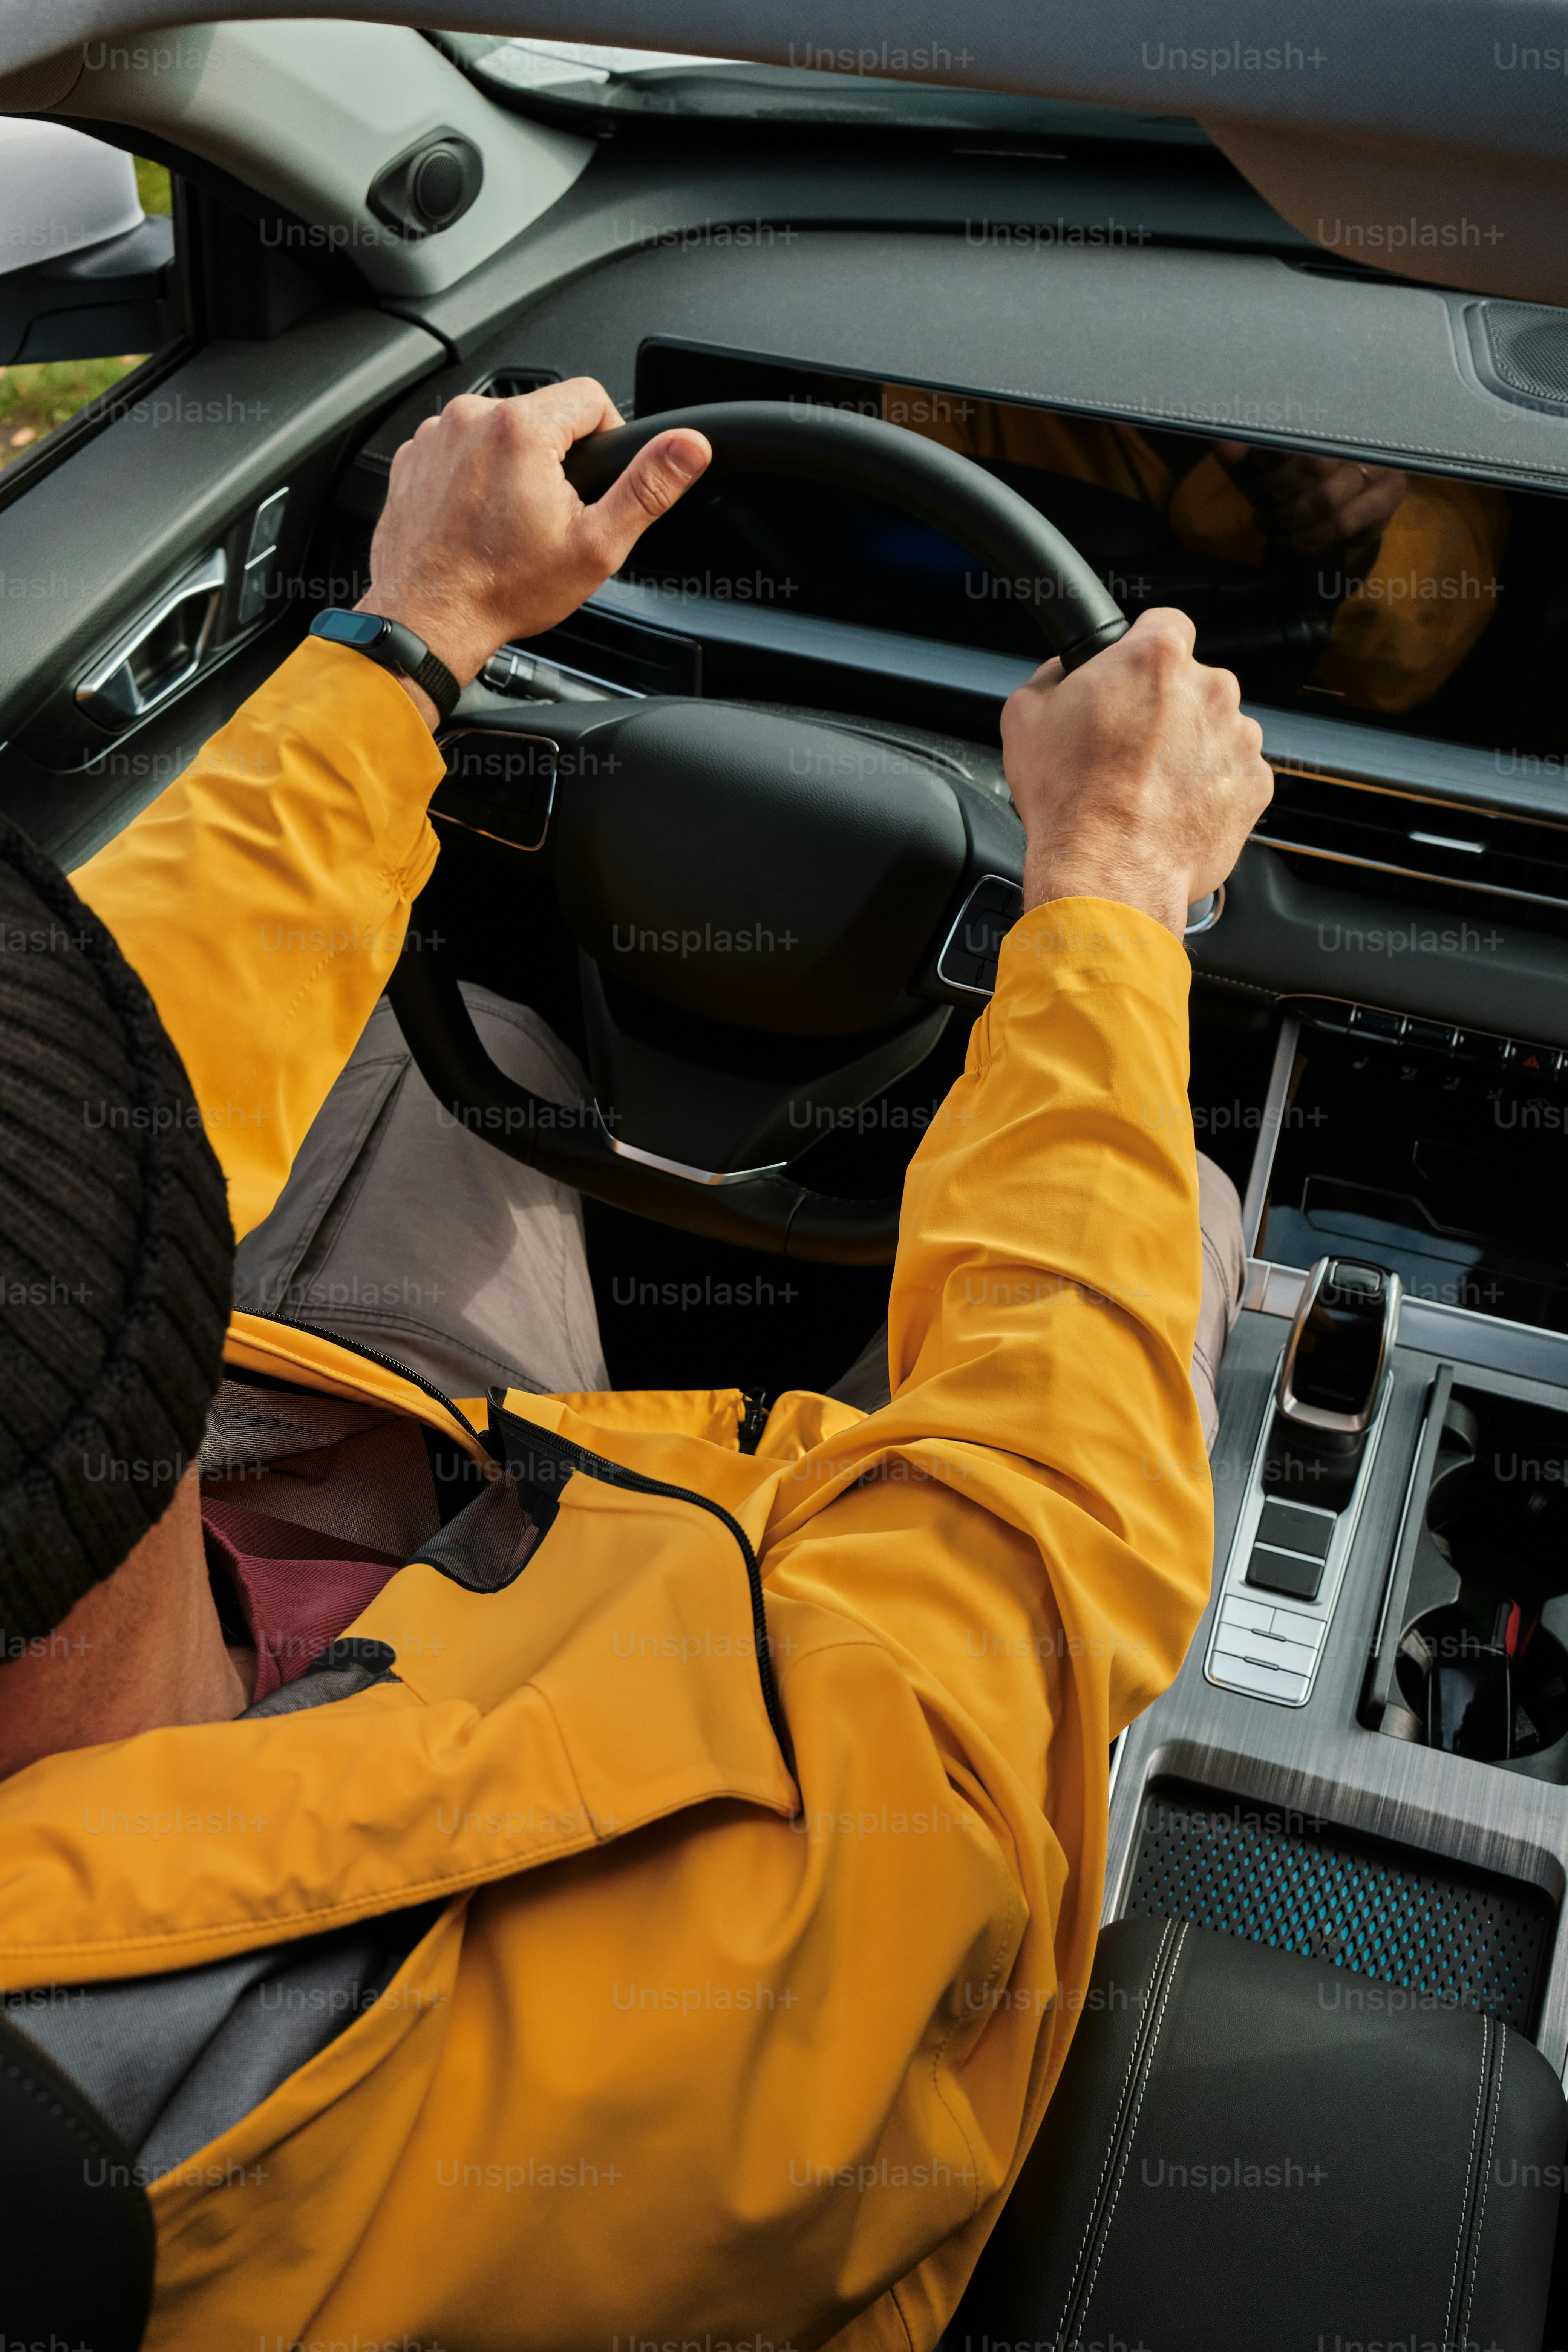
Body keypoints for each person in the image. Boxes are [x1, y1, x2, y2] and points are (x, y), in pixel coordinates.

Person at [0, 378, 1270, 2348]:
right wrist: (1110, 881)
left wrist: (407, 637)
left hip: (243, 1591)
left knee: (478, 1051)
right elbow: (1018, 1560)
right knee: (1167, 1197)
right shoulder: (651, 2008)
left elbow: (103, 1075)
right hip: (574, 1707)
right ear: (151, 1268)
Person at [882, 384, 1510, 714]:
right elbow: (875, 564)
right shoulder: (957, 348)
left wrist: (1358, 536)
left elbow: (1408, 666)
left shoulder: (1409, 360)